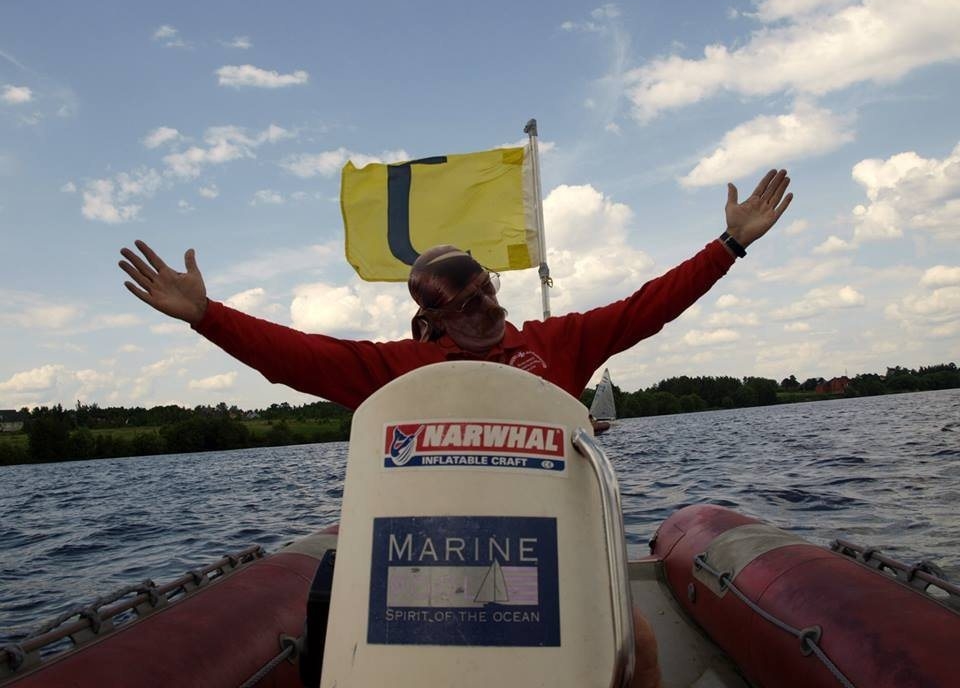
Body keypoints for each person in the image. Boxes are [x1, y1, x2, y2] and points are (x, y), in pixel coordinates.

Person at [119, 168, 793, 688]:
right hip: (437, 553)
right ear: (435, 319)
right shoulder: (397, 369)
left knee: (636, 645)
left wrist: (730, 244)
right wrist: (207, 315)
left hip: (548, 544)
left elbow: (648, 307)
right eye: (468, 304)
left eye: (489, 290)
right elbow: (296, 357)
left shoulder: (556, 344)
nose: (488, 308)